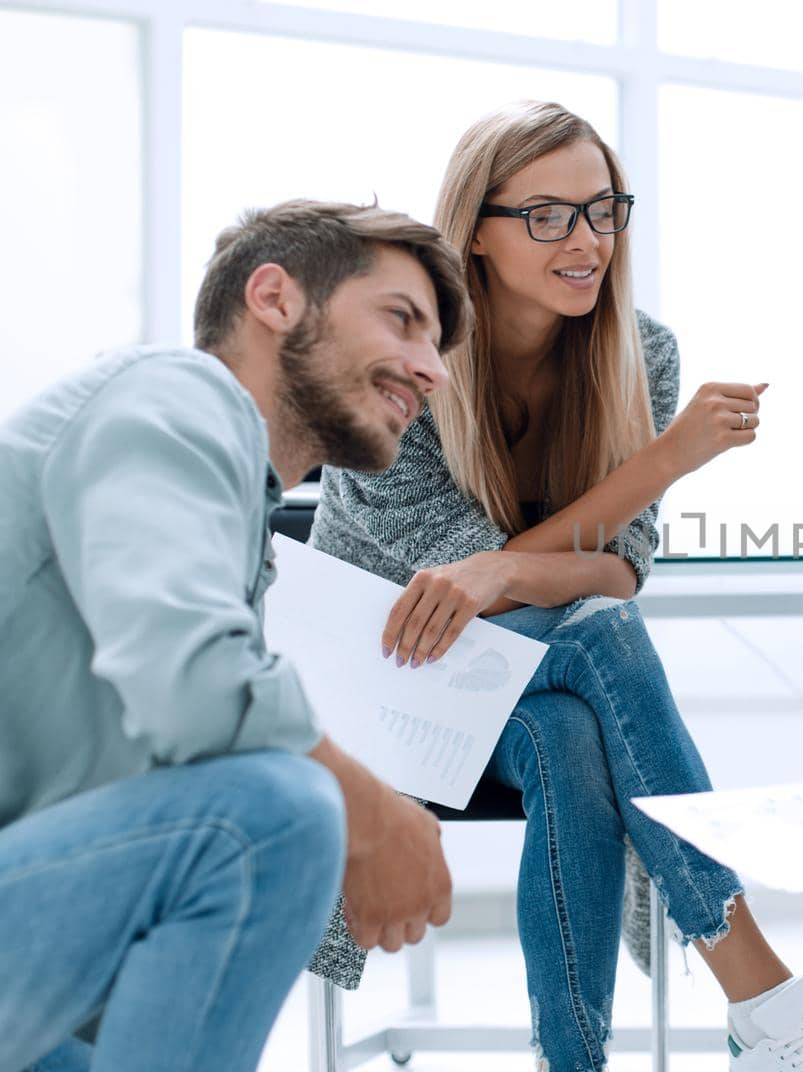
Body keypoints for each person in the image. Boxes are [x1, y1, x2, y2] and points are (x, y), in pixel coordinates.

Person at [308, 100, 803, 1072]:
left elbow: (618, 566)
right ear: (474, 233)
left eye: (604, 209)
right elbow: (454, 594)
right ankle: (764, 999)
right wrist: (663, 462)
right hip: (382, 677)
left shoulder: (638, 352)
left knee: (574, 730)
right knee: (604, 635)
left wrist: (503, 566)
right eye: (547, 216)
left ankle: (573, 1061)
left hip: (519, 687)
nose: (587, 240)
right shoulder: (400, 364)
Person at [0, 200, 470, 1072]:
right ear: (275, 298)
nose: (429, 371)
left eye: (436, 348)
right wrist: (374, 816)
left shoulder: (230, 517)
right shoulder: (179, 398)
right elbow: (195, 689)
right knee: (276, 813)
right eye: (402, 321)